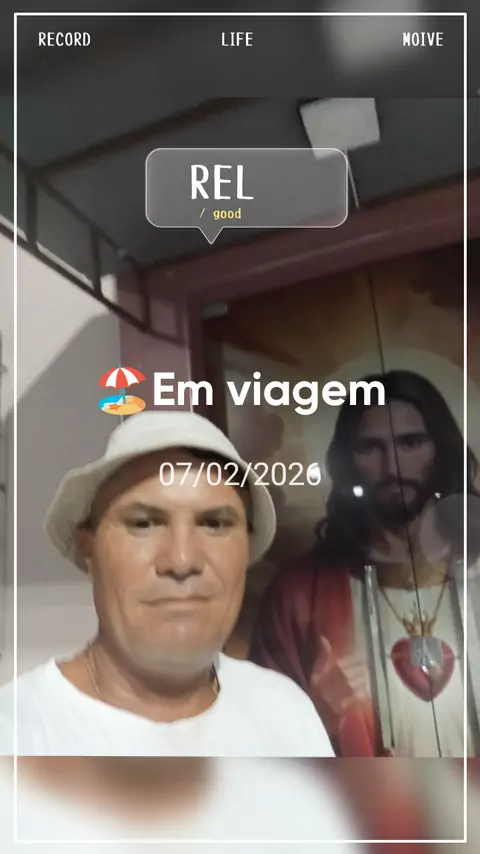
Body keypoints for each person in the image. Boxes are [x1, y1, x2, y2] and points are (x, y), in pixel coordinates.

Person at [0, 411, 333, 757]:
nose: (182, 560)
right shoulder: (17, 734)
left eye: (214, 524)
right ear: (89, 549)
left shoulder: (285, 712)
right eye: (144, 523)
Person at [250, 370, 480, 758]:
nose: (393, 467)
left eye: (411, 442)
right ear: (347, 462)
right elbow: (262, 749)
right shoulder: (298, 596)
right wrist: (315, 718)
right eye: (370, 448)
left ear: (441, 450)